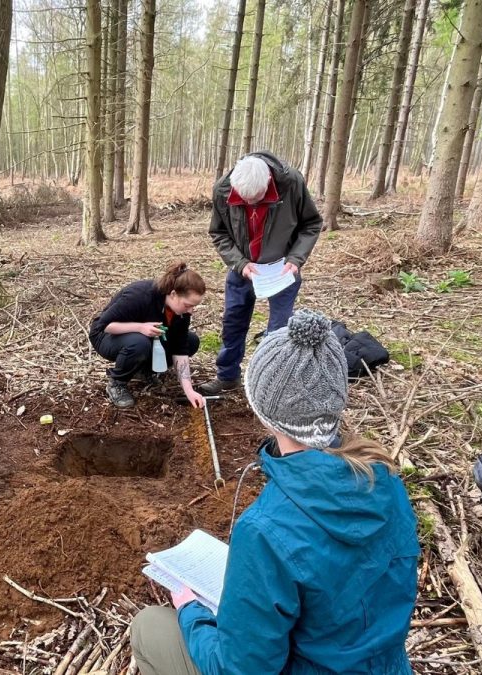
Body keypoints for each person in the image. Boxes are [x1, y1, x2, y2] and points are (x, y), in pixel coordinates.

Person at [129, 310, 420, 675]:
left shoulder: (265, 530)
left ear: (264, 412)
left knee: (148, 627)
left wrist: (190, 610)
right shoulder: (386, 478)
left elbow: (241, 669)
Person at [198, 152, 323, 395]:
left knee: (279, 330)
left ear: (268, 181)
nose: (251, 205)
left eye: (256, 199)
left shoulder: (292, 183)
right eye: (245, 201)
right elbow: (219, 233)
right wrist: (240, 263)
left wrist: (296, 259)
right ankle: (227, 376)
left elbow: (311, 224)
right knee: (233, 322)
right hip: (243, 270)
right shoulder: (223, 190)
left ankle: (269, 385)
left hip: (282, 270)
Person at [89, 262, 206, 410]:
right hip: (107, 336)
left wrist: (189, 390)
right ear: (173, 294)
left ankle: (143, 371)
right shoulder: (140, 295)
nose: (191, 311)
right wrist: (140, 327)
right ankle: (117, 383)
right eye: (188, 305)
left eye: (194, 306)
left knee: (191, 341)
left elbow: (180, 348)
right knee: (139, 343)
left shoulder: (182, 313)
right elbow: (105, 326)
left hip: (147, 337)